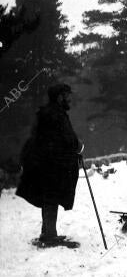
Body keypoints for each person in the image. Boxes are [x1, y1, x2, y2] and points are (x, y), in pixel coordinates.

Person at [16, 84, 82, 247]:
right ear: (60, 96)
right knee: (51, 197)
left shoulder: (47, 112)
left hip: (44, 163)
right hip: (51, 165)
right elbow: (63, 139)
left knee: (49, 197)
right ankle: (50, 236)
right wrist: (77, 145)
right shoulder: (56, 114)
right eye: (67, 95)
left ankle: (47, 233)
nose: (70, 99)